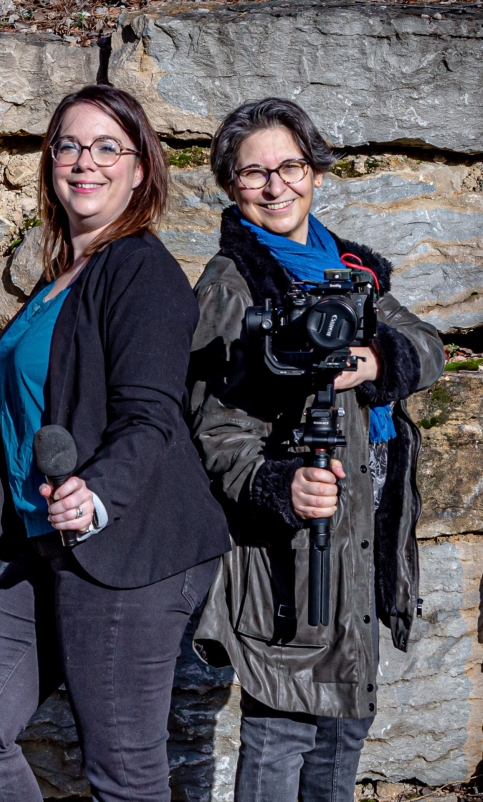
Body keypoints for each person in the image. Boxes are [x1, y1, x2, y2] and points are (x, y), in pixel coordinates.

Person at [0, 85, 230, 802]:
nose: (84, 162)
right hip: (51, 547)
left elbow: (151, 414)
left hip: (131, 549)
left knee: (123, 776)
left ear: (139, 169)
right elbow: (66, 392)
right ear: (50, 162)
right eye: (68, 145)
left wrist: (99, 495)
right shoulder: (63, 274)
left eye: (106, 148)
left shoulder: (142, 272)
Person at [188, 98, 445, 802]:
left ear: (317, 172)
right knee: (281, 736)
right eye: (254, 173)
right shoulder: (232, 286)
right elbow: (213, 430)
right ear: (230, 185)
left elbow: (428, 347)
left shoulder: (352, 274)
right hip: (289, 561)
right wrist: (281, 483)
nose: (276, 186)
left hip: (363, 545)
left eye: (291, 166)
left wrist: (375, 360)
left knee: (342, 739)